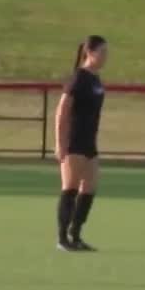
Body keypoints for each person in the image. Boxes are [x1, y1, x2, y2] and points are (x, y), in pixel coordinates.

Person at [54, 35, 108, 252]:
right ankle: (62, 238)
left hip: (89, 142)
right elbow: (62, 110)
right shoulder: (79, 78)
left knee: (90, 187)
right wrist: (60, 143)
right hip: (74, 141)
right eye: (102, 52)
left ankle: (75, 235)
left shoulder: (96, 79)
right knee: (71, 188)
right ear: (89, 52)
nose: (105, 57)